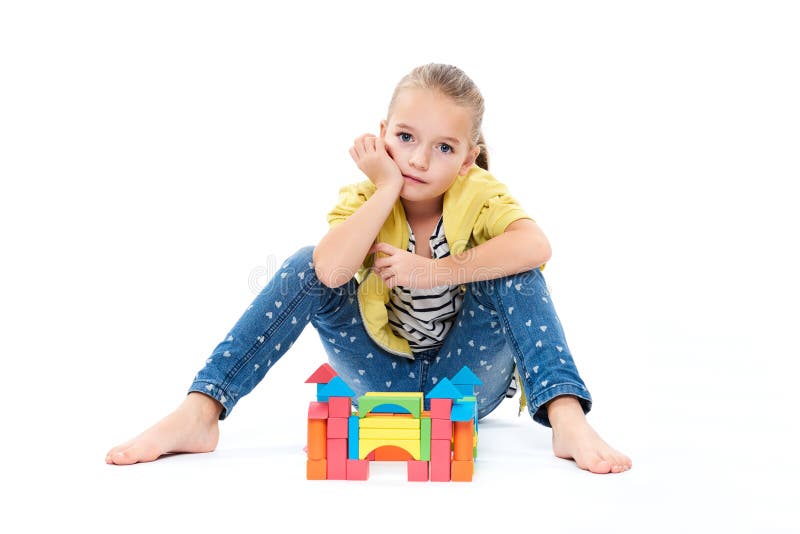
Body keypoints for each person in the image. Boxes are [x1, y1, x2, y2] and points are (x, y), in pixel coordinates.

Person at [106, 63, 632, 474]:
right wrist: (385, 190)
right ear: (382, 134)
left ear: (468, 159)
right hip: (378, 373)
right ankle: (201, 412)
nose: (418, 161)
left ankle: (566, 419)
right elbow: (331, 272)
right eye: (405, 138)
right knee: (304, 265)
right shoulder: (364, 195)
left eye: (443, 147)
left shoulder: (481, 193)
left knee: (517, 269)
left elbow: (536, 244)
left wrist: (437, 272)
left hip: (469, 378)